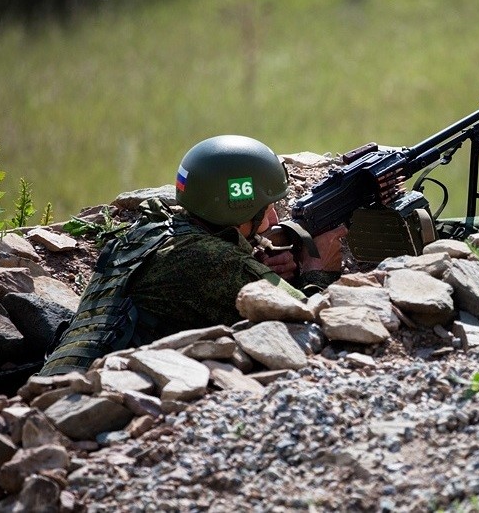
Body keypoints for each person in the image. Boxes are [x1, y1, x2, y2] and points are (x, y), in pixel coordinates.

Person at [39, 135, 346, 376]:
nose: (274, 221)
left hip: (53, 381)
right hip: (93, 399)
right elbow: (311, 325)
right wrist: (319, 271)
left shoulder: (145, 234)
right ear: (236, 208)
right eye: (266, 209)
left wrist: (255, 269)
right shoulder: (214, 261)